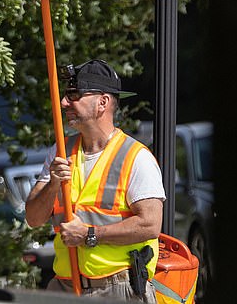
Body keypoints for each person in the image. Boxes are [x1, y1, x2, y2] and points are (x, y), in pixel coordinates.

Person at [25, 59, 165, 302]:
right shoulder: (60, 152)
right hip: (67, 288)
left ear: (102, 102)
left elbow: (150, 225)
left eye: (75, 95)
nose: (64, 102)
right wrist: (53, 184)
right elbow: (34, 218)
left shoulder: (136, 157)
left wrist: (90, 234)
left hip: (118, 289)